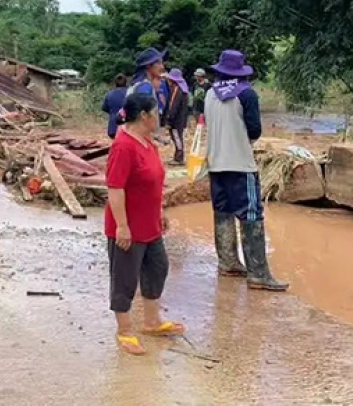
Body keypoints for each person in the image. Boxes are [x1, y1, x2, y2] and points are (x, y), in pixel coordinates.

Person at [105, 93, 185, 356]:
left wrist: (159, 211)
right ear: (144, 116)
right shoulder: (123, 146)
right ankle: (125, 330)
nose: (159, 118)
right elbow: (115, 188)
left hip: (150, 223)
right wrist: (122, 226)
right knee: (125, 277)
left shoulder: (148, 143)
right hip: (130, 225)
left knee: (158, 267)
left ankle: (151, 322)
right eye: (156, 113)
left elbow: (154, 183)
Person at [204, 50, 288, 291]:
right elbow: (254, 130)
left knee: (223, 210)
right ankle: (258, 273)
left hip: (216, 164)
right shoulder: (246, 94)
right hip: (240, 164)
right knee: (251, 214)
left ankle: (228, 262)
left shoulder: (210, 94)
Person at [128, 48, 170, 143]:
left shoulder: (139, 84)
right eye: (158, 63)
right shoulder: (145, 87)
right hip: (140, 138)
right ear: (148, 66)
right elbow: (143, 117)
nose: (162, 67)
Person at [163, 68, 189, 165]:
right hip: (181, 119)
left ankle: (179, 158)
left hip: (176, 120)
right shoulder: (183, 89)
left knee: (177, 138)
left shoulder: (177, 90)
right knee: (178, 137)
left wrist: (169, 120)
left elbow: (173, 106)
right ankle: (178, 156)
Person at [101, 74, 128, 139]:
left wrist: (113, 113)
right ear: (126, 82)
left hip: (113, 127)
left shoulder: (109, 94)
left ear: (115, 83)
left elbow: (104, 108)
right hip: (126, 127)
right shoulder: (129, 93)